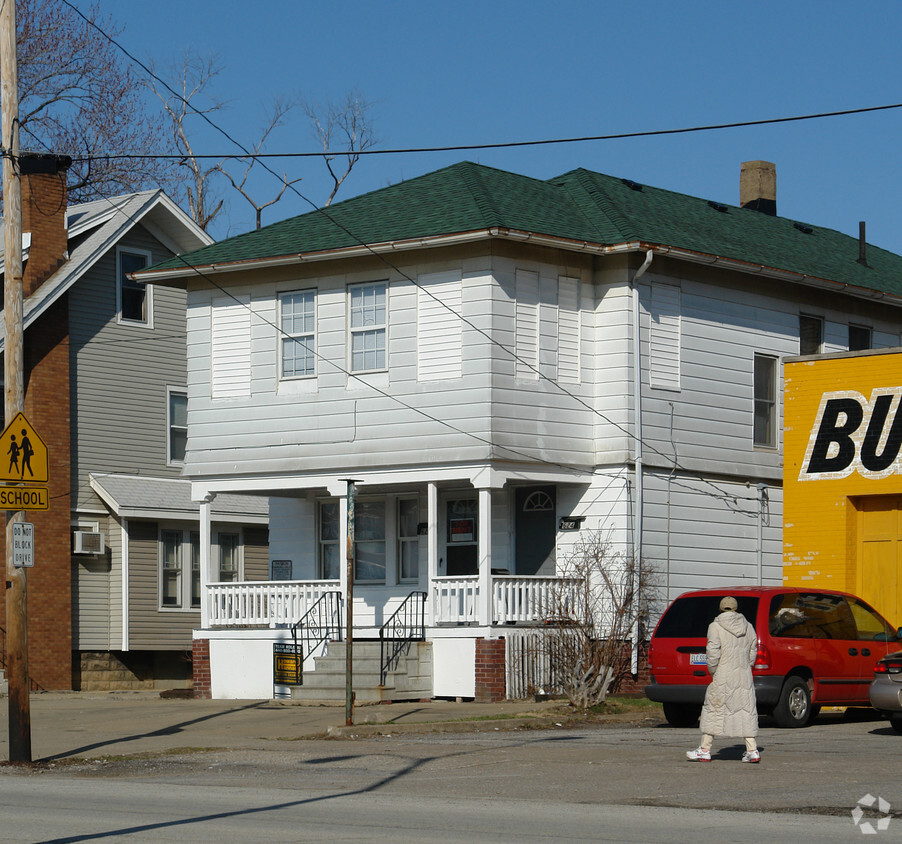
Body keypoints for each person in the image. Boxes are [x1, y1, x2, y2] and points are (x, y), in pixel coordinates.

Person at [686, 595, 760, 763]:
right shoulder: (748, 627)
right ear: (736, 609)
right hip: (743, 675)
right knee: (745, 710)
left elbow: (712, 653)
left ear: (720, 609)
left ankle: (704, 750)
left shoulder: (715, 626)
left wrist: (714, 671)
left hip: (723, 673)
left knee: (714, 709)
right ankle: (752, 750)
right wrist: (745, 667)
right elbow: (753, 650)